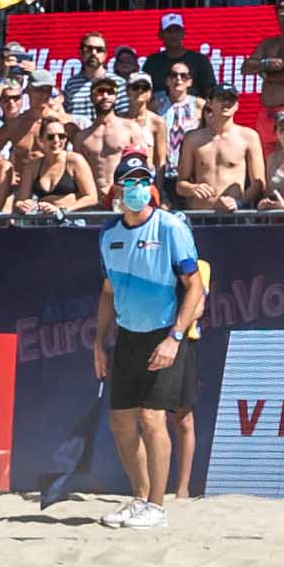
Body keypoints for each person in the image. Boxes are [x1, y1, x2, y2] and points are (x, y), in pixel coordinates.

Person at [90, 164, 205, 526]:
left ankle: (157, 505)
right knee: (121, 420)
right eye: (131, 182)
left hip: (165, 333)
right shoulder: (109, 235)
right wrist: (98, 342)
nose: (138, 187)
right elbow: (108, 291)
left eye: (144, 181)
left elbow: (195, 286)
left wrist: (175, 337)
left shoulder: (170, 227)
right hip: (128, 336)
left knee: (153, 418)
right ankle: (139, 497)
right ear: (118, 190)